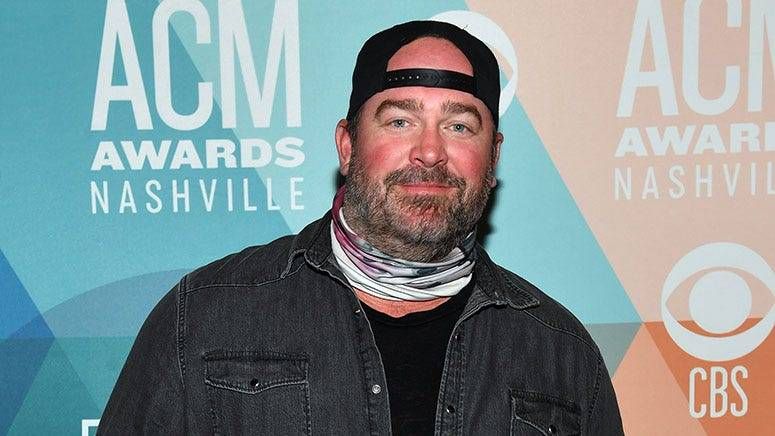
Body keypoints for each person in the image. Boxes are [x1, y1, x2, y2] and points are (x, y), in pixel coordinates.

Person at [98, 20, 623, 435]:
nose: (430, 151)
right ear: (348, 146)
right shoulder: (205, 317)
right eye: (400, 121)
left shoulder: (561, 355)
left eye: (459, 125)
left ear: (493, 159)